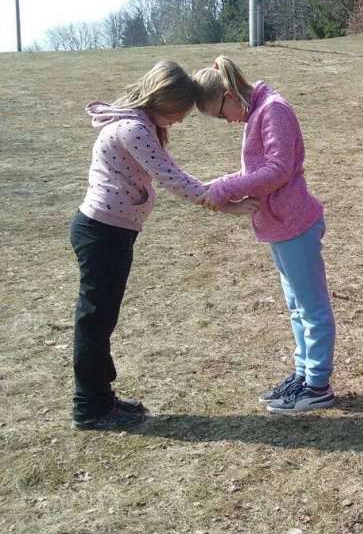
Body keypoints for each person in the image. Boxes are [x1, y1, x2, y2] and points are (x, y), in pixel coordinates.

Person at [70, 61, 258, 431]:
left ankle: (101, 397)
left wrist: (215, 192)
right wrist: (225, 204)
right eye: (179, 112)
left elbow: (173, 171)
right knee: (95, 321)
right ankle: (89, 409)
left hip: (111, 232)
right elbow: (171, 178)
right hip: (103, 234)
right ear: (163, 99)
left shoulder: (139, 124)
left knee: (101, 319)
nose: (180, 120)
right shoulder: (133, 129)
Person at [193, 56, 337, 414]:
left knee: (312, 308)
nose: (228, 122)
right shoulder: (257, 112)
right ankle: (303, 375)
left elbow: (278, 170)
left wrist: (225, 189)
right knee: (296, 307)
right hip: (277, 226)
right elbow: (254, 171)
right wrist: (216, 184)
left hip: (294, 223)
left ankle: (318, 385)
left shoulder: (273, 110)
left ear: (229, 94)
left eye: (221, 115)